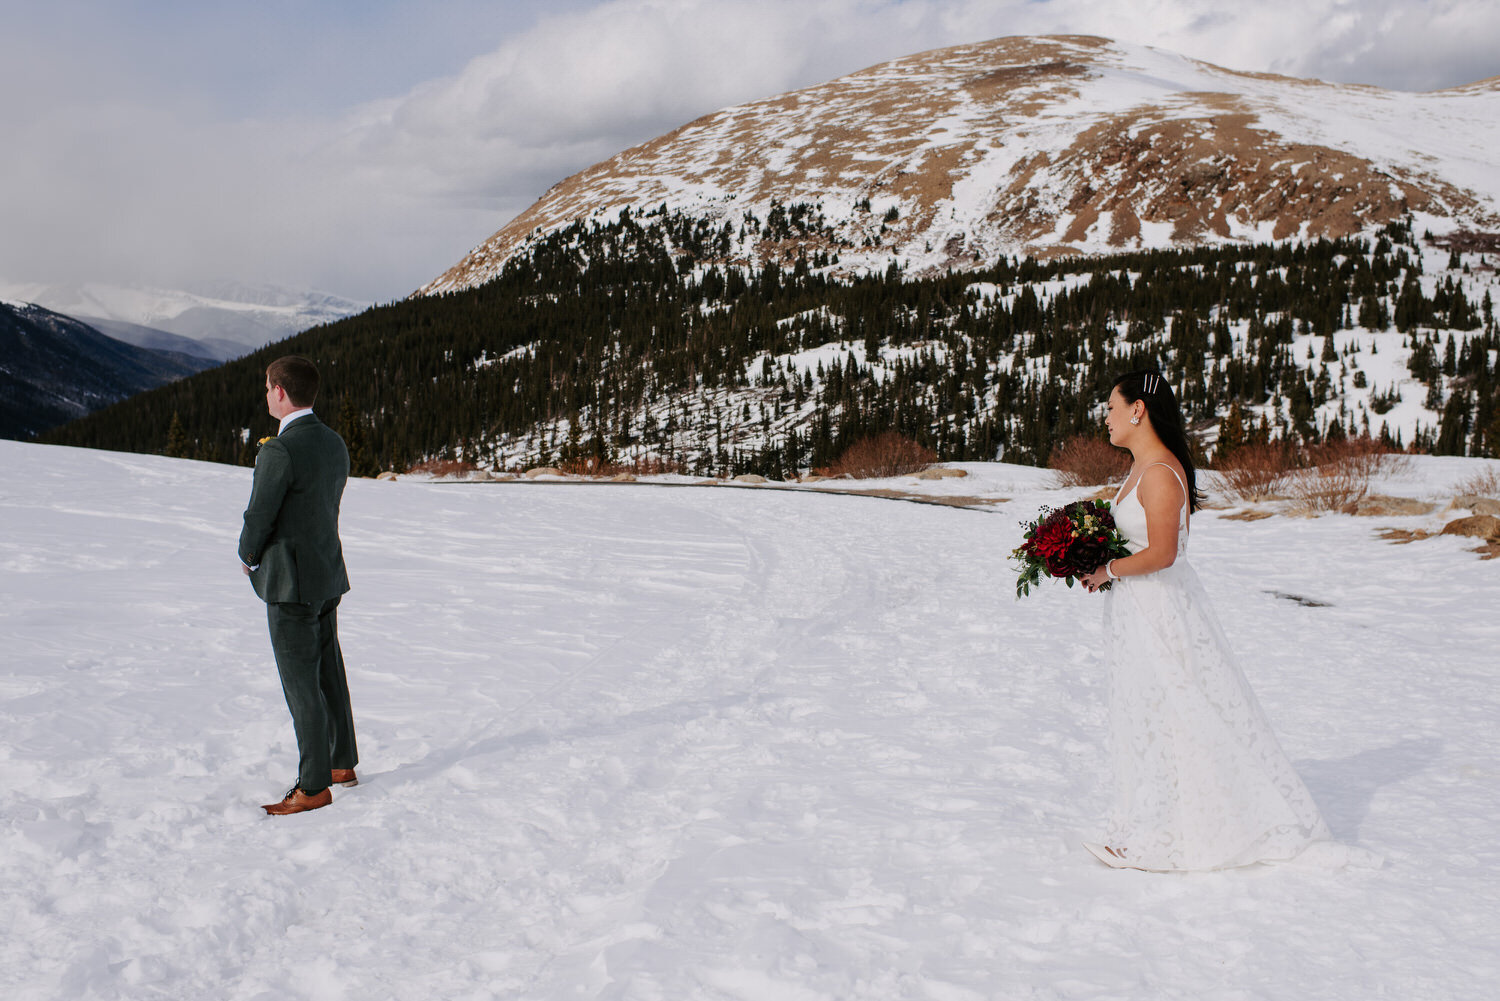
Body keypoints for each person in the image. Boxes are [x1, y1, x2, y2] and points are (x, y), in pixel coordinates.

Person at [1075, 371, 1331, 870]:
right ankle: (1151, 824)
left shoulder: (1157, 472)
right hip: (1136, 608)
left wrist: (1108, 568)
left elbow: (1165, 553)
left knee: (1173, 713)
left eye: (1110, 407)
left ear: (1138, 410)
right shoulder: (1139, 468)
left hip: (1161, 609)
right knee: (1148, 712)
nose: (1105, 417)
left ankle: (1169, 836)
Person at [239, 355, 360, 815]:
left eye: (269, 387)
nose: (267, 394)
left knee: (301, 684)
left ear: (281, 392)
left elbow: (260, 514)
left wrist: (247, 556)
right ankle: (341, 763)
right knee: (329, 671)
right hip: (327, 574)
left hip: (289, 583)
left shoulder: (279, 450)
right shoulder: (334, 442)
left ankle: (313, 786)